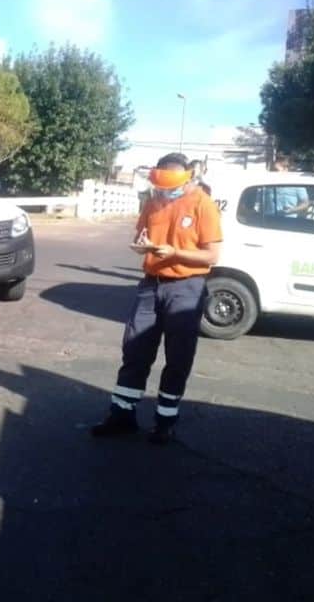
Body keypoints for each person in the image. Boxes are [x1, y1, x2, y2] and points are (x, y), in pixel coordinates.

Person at [91, 152, 222, 445]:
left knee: (178, 356)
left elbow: (212, 255)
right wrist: (143, 246)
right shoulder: (153, 201)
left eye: (170, 186)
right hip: (151, 284)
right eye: (160, 186)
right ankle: (122, 414)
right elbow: (143, 235)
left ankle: (165, 421)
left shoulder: (203, 205)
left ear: (188, 176)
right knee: (135, 349)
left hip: (187, 286)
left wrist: (175, 253)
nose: (165, 192)